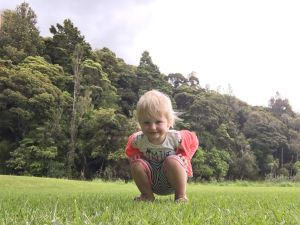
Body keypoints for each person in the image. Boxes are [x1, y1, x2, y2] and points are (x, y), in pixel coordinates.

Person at [125, 90, 199, 202]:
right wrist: (136, 156)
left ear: (169, 122)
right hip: (151, 181)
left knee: (172, 161)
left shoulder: (176, 138)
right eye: (146, 123)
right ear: (140, 123)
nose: (152, 127)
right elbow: (129, 150)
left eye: (158, 122)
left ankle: (180, 196)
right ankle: (147, 196)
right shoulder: (137, 140)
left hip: (173, 180)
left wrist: (185, 156)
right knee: (136, 164)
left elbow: (194, 141)